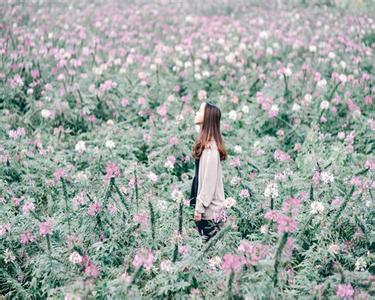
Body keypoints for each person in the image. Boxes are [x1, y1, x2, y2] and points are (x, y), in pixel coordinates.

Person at [190, 101, 228, 242]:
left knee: (209, 254)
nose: (196, 113)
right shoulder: (206, 145)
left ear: (207, 118)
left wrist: (199, 208)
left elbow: (209, 183)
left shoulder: (211, 150)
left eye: (199, 111)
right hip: (207, 212)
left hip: (211, 214)